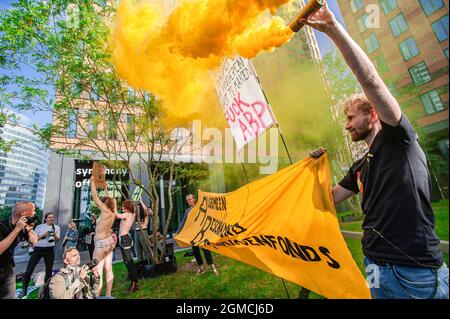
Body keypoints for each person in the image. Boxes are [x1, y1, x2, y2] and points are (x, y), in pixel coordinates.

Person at [303, 3, 448, 299]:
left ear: (372, 115)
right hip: (373, 266)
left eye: (350, 117)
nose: (346, 126)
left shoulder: (399, 138)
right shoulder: (360, 165)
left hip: (413, 274)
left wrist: (332, 29)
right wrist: (312, 170)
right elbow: (327, 200)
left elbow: (371, 81)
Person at [0, 201, 38, 299]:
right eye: (33, 210)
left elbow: (34, 242)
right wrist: (16, 230)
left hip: (7, 269)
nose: (35, 213)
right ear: (23, 213)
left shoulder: (23, 227)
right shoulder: (2, 226)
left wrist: (30, 231)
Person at [20, 212, 60, 299]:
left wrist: (54, 235)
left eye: (52, 217)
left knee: (49, 271)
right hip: (38, 249)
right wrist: (44, 235)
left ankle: (45, 292)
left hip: (49, 250)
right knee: (29, 269)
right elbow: (34, 239)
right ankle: (24, 290)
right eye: (49, 217)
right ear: (45, 219)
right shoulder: (39, 227)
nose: (51, 219)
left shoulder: (56, 227)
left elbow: (57, 239)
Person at [177, 194, 219, 276]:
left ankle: (212, 266)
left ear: (194, 199)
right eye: (187, 200)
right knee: (195, 251)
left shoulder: (200, 207)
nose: (188, 201)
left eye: (190, 199)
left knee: (206, 250)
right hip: (193, 235)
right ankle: (201, 268)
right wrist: (177, 232)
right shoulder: (187, 211)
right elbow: (183, 222)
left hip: (202, 233)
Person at [90, 175, 116, 298]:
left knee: (97, 271)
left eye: (103, 200)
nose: (102, 201)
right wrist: (106, 188)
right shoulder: (113, 211)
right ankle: (108, 295)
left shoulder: (105, 209)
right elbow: (110, 199)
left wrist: (92, 182)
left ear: (105, 203)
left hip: (100, 243)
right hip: (109, 242)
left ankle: (97, 296)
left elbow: (95, 196)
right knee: (109, 269)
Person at [115, 200, 139, 293]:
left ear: (128, 207)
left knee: (129, 262)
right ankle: (132, 281)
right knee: (127, 261)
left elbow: (116, 215)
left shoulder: (128, 214)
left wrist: (114, 205)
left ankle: (134, 284)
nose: (122, 208)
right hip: (124, 239)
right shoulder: (130, 214)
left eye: (123, 206)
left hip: (125, 239)